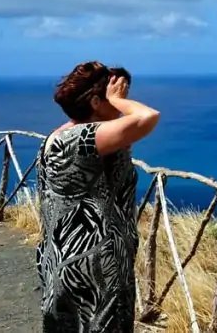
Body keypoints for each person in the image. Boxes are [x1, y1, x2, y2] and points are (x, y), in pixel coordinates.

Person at [36, 61, 160, 332]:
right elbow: (147, 117)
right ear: (95, 101)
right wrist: (118, 101)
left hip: (67, 256)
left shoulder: (62, 135)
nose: (119, 106)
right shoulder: (80, 139)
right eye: (113, 99)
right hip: (94, 265)